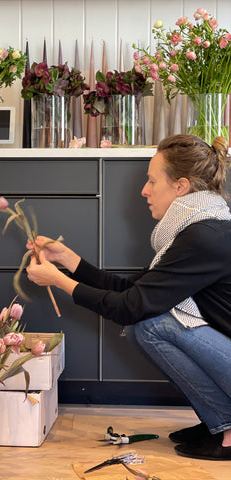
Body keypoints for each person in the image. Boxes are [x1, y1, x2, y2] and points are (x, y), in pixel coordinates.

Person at [26, 134, 231, 461]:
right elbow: (133, 293)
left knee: (149, 325)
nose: (144, 191)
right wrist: (68, 260)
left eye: (151, 181)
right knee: (143, 325)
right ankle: (217, 422)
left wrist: (58, 281)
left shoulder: (203, 237)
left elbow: (131, 307)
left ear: (180, 187)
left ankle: (227, 428)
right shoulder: (198, 227)